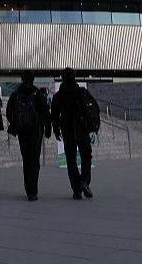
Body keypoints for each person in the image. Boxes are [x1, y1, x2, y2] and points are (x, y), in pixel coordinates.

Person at [6, 70, 51, 201]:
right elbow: (45, 113)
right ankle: (33, 191)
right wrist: (48, 129)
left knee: (26, 160)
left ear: (22, 79)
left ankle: (28, 189)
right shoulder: (37, 94)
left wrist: (16, 123)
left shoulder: (15, 94)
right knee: (34, 160)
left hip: (22, 131)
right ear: (33, 79)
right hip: (35, 131)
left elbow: (9, 112)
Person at [50, 68, 93, 199]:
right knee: (86, 156)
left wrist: (56, 131)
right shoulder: (82, 92)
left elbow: (54, 115)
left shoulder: (59, 96)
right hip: (82, 130)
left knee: (71, 159)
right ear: (74, 77)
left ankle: (76, 189)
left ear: (62, 78)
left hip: (68, 130)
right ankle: (84, 181)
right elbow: (90, 109)